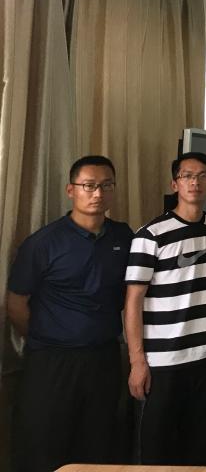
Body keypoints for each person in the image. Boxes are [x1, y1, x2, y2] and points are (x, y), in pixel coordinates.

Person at [6, 155, 134, 472]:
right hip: (52, 360)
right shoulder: (43, 243)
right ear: (70, 190)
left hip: (103, 357)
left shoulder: (124, 237)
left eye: (106, 185)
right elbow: (16, 303)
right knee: (45, 442)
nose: (97, 193)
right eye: (89, 185)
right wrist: (44, 337)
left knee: (98, 441)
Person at [124, 151, 206, 464]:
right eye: (187, 176)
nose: (195, 182)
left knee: (202, 446)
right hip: (162, 361)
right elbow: (133, 301)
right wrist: (137, 361)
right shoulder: (150, 235)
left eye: (203, 176)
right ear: (175, 184)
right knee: (158, 449)